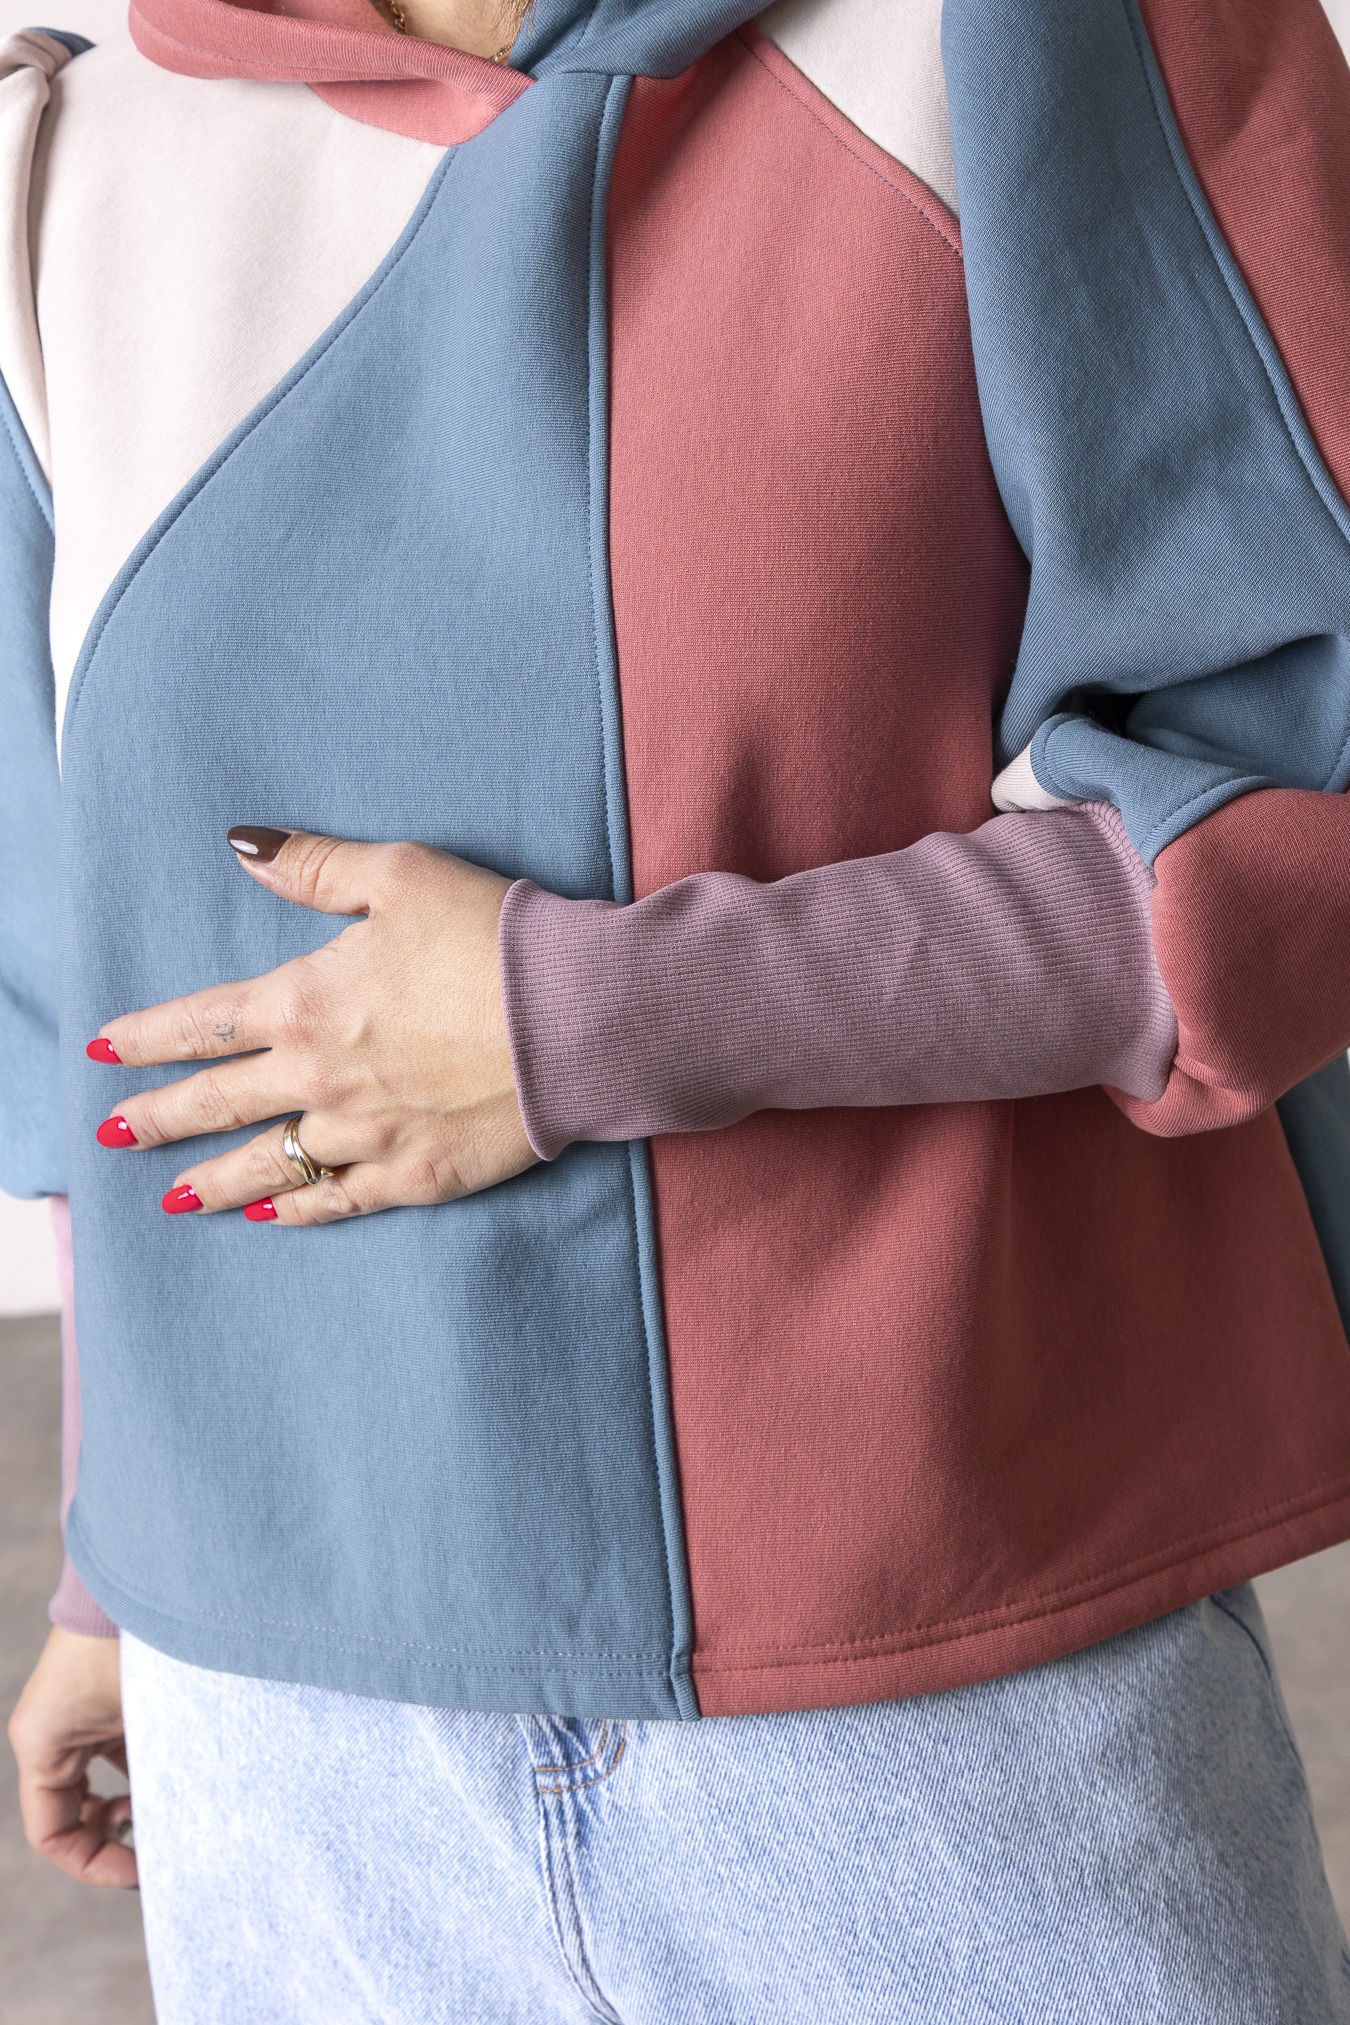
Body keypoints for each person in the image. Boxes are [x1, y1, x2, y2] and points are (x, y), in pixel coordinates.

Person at [7, 0, 1350, 2014]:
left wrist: (590, 1015)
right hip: (289, 1742)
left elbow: (1291, 808)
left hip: (929, 1709)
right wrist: (114, 1563)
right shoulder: (67, 162)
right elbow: (95, 986)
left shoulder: (1003, 37)